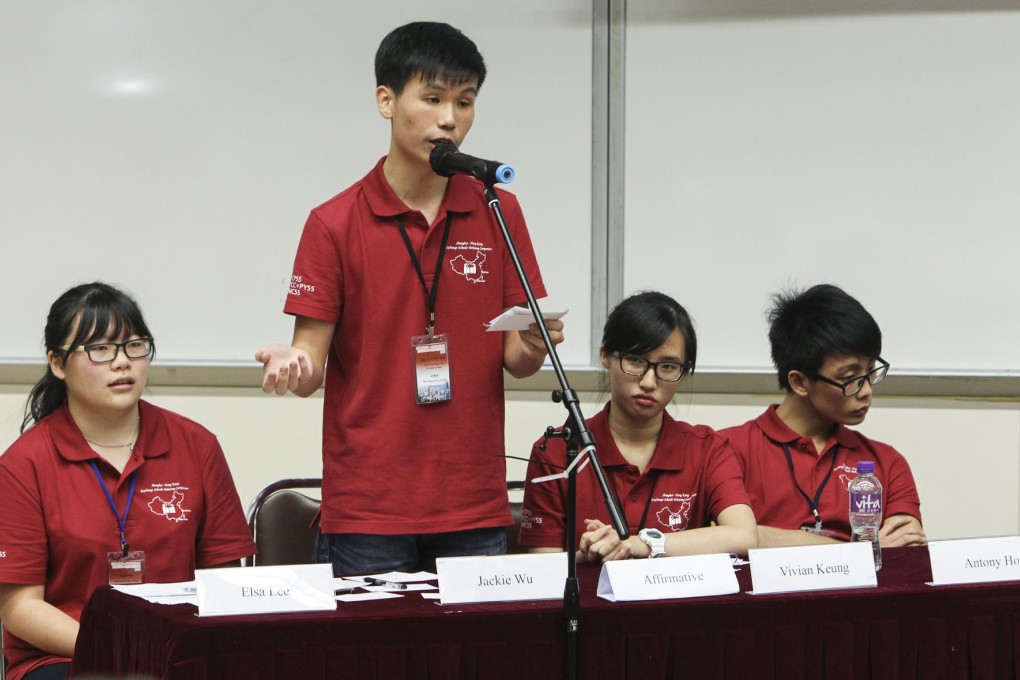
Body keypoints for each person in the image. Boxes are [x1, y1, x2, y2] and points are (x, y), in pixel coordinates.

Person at [255, 21, 563, 575]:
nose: (450, 119)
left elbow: (517, 360)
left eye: (465, 102)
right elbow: (311, 370)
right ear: (386, 100)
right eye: (434, 98)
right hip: (370, 507)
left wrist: (537, 342)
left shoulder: (497, 208)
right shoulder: (334, 223)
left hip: (472, 499)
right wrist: (293, 364)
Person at [0, 283, 255, 680]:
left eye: (134, 345)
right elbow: (19, 607)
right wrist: (124, 650)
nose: (122, 363)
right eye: (99, 349)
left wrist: (179, 649)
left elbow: (224, 578)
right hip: (67, 656)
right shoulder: (23, 464)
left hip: (179, 653)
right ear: (57, 363)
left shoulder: (195, 445)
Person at [518, 291, 757, 561]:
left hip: (677, 602)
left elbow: (744, 537)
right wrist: (592, 555)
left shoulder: (708, 449)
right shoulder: (555, 452)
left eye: (667, 366)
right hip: (589, 601)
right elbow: (542, 568)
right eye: (636, 360)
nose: (648, 381)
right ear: (605, 356)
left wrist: (641, 544)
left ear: (685, 372)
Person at [719, 283, 926, 548]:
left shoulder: (886, 463)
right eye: (850, 378)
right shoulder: (727, 450)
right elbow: (716, 537)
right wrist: (855, 551)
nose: (867, 391)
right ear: (800, 382)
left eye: (871, 371)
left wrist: (765, 537)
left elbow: (905, 548)